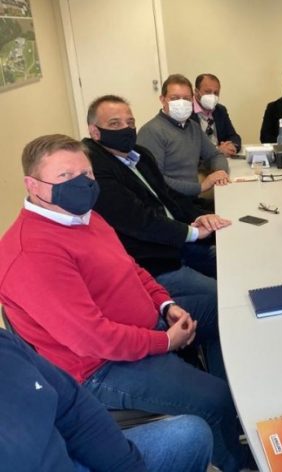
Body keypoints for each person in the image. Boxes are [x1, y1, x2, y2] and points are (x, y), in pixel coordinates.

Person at [0, 134, 252, 471]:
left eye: (86, 174)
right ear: (33, 185)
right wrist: (165, 342)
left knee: (226, 311)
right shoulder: (30, 254)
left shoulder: (84, 216)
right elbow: (94, 340)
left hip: (145, 327)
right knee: (214, 399)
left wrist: (165, 305)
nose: (81, 183)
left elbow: (130, 267)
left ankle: (232, 416)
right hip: (103, 367)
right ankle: (236, 460)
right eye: (65, 176)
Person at [0, 328, 213, 472]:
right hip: (98, 367)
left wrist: (130, 467)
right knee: (213, 400)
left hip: (67, 455)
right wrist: (163, 341)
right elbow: (93, 335)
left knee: (192, 435)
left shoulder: (4, 344)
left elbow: (72, 408)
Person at [84, 94, 228, 282]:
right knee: (222, 294)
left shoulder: (140, 155)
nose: (126, 129)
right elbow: (138, 220)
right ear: (95, 132)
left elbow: (168, 195)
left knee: (235, 264)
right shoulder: (93, 167)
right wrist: (192, 233)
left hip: (177, 241)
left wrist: (200, 217)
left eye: (130, 122)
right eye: (114, 124)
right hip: (152, 261)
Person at [137, 73, 230, 201]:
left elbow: (215, 155)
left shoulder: (193, 127)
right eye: (175, 98)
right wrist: (201, 187)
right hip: (169, 203)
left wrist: (220, 172)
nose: (181, 103)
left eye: (186, 99)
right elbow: (154, 179)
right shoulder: (151, 132)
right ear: (162, 99)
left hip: (191, 199)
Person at [191, 73, 242, 157]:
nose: (212, 96)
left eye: (216, 93)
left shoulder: (220, 110)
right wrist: (217, 150)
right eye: (208, 92)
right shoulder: (187, 112)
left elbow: (233, 136)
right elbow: (187, 148)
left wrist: (232, 146)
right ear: (196, 92)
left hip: (220, 160)